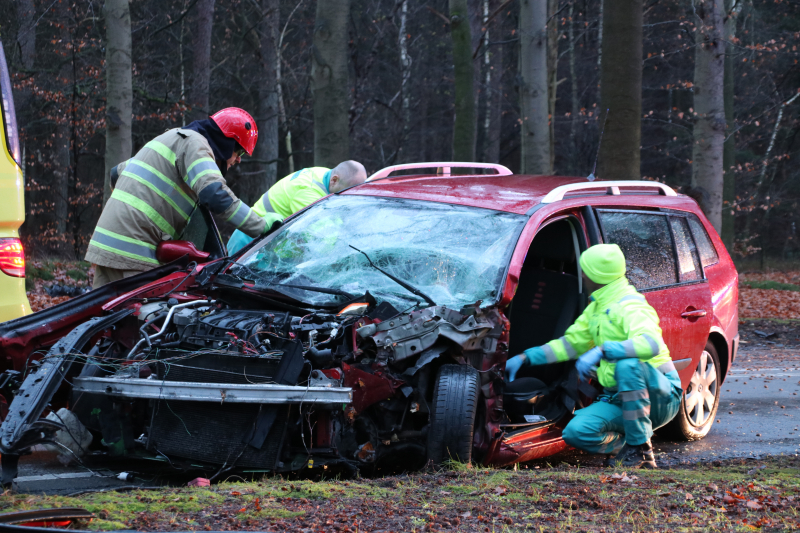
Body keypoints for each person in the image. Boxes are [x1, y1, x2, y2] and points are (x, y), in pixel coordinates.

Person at [505, 244, 682, 469]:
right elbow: (569, 345)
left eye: (585, 270)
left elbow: (651, 344)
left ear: (596, 275)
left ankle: (641, 449)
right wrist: (525, 358)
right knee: (576, 432)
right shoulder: (597, 307)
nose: (582, 275)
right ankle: (626, 449)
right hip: (621, 398)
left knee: (628, 365)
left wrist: (602, 350)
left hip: (660, 396)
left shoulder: (631, 305)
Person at [86, 108, 271, 288]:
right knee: (144, 317)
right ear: (227, 143)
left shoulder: (171, 138)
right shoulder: (196, 144)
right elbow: (214, 194)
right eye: (239, 152)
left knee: (102, 318)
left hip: (105, 244)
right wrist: (262, 226)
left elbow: (115, 174)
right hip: (134, 251)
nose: (238, 160)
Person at [226, 161, 367, 254]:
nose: (349, 196)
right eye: (349, 191)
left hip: (264, 247)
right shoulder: (308, 193)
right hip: (249, 248)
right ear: (335, 180)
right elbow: (323, 242)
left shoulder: (325, 176)